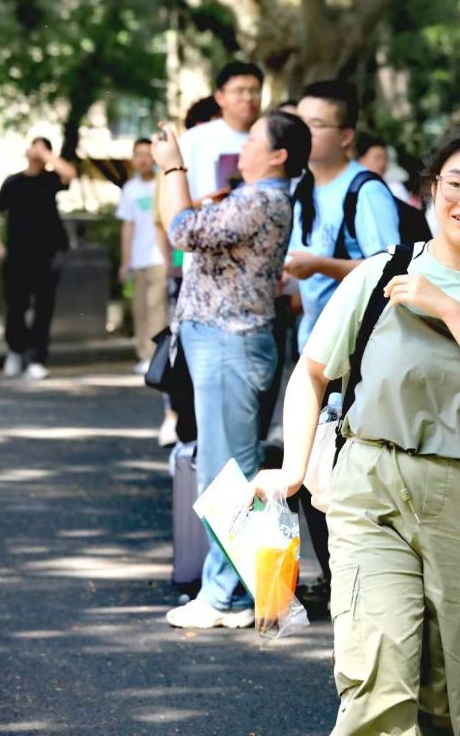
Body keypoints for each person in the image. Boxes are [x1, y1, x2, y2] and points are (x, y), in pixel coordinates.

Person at [252, 125, 460, 734]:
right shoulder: (378, 274)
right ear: (430, 189)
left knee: (452, 697)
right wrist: (292, 469)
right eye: (456, 184)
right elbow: (312, 374)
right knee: (378, 674)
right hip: (372, 488)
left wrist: (449, 308)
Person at [153, 109, 302, 629]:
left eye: (254, 138)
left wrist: (173, 167)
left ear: (279, 155)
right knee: (232, 471)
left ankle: (228, 596)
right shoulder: (258, 197)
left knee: (227, 476)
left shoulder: (262, 199)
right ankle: (249, 592)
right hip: (229, 344)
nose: (244, 144)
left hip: (229, 346)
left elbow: (182, 230)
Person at [283, 81, 402, 350]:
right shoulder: (303, 187)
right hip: (313, 343)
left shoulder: (365, 190)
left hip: (358, 346)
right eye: (299, 122)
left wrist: (320, 265)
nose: (300, 132)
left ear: (346, 137)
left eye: (315, 124)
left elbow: (390, 270)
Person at [0, 137, 79, 380]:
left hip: (47, 255)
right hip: (18, 254)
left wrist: (45, 155)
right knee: (16, 306)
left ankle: (37, 358)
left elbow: (70, 174)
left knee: (43, 308)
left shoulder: (51, 179)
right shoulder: (13, 182)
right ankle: (15, 350)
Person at [117, 138, 169, 375]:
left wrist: (172, 259)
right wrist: (125, 262)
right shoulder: (130, 189)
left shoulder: (163, 183)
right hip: (138, 259)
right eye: (138, 154)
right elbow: (127, 226)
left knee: (156, 307)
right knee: (140, 309)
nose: (142, 159)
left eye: (147, 154)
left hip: (160, 258)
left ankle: (155, 356)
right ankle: (143, 354)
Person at [178, 62, 263, 200]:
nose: (248, 98)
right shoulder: (193, 139)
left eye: (255, 91)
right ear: (220, 97)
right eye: (239, 91)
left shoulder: (272, 137)